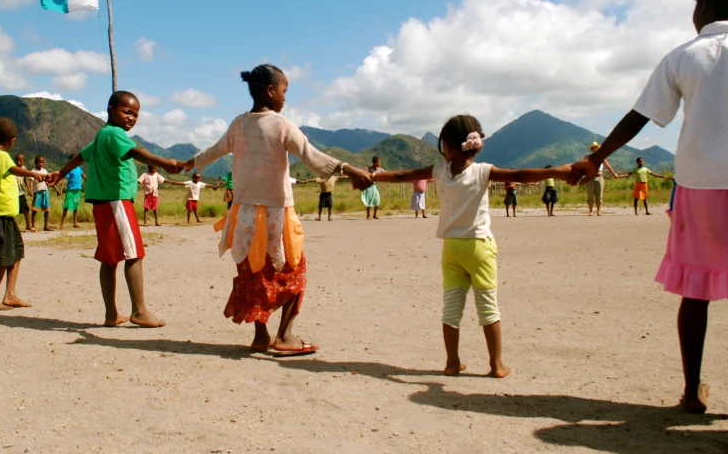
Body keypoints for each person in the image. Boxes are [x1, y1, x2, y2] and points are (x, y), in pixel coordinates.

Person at [572, 0, 728, 422]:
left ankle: (692, 394)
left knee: (695, 293)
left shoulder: (681, 57)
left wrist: (597, 159)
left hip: (697, 186)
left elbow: (639, 117)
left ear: (707, 6)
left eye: (696, 6)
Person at [185, 65, 373, 356]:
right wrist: (349, 170)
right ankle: (284, 335)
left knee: (254, 274)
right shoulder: (282, 125)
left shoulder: (239, 124)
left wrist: (189, 163)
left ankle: (261, 336)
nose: (285, 97)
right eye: (284, 90)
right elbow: (311, 156)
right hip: (276, 215)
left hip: (244, 216)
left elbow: (214, 150)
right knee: (294, 271)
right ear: (270, 90)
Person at [373, 115, 576, 377]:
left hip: (451, 249)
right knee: (488, 306)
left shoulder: (438, 172)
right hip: (479, 247)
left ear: (447, 146)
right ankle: (496, 365)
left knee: (451, 307)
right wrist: (557, 171)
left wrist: (373, 177)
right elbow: (520, 174)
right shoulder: (484, 171)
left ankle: (452, 363)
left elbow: (402, 175)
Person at [53, 91, 182, 328]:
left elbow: (78, 158)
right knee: (134, 254)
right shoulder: (115, 133)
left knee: (110, 259)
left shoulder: (101, 136)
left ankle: (111, 314)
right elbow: (137, 152)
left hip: (103, 204)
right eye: (127, 111)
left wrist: (59, 173)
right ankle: (139, 311)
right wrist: (165, 163)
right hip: (117, 201)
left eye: (136, 114)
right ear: (110, 109)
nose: (132, 117)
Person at [0, 118, 51, 311]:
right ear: (12, 140)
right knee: (4, 257)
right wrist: (33, 174)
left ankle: (10, 294)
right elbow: (13, 169)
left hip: (4, 214)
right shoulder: (1, 156)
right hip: (0, 214)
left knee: (16, 252)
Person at [584, 142, 623, 216]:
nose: (595, 149)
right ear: (591, 149)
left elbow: (607, 166)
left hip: (600, 177)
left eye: (596, 148)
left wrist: (613, 173)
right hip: (590, 178)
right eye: (593, 148)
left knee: (599, 196)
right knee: (590, 195)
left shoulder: (602, 158)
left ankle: (598, 211)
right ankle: (590, 211)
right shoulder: (588, 157)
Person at [58, 154, 84, 229]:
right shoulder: (69, 170)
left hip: (77, 190)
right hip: (70, 190)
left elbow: (83, 176)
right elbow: (65, 180)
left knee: (76, 207)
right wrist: (61, 189)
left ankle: (75, 223)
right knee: (66, 207)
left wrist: (88, 182)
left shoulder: (79, 168)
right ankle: (62, 224)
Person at [31, 155, 52, 231]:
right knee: (35, 209)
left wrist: (55, 188)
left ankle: (46, 226)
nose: (41, 164)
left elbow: (48, 181)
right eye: (39, 162)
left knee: (47, 209)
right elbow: (31, 181)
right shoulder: (33, 171)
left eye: (42, 162)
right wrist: (30, 190)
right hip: (37, 191)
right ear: (35, 162)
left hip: (45, 191)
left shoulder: (45, 171)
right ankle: (33, 226)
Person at [15, 152, 34, 232]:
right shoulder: (13, 168)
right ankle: (14, 227)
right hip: (14, 193)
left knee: (26, 210)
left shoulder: (24, 168)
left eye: (20, 160)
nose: (18, 161)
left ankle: (29, 226)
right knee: (13, 211)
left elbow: (26, 179)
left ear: (23, 161)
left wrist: (29, 189)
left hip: (21, 193)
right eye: (17, 160)